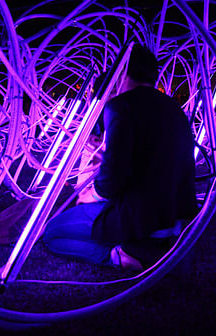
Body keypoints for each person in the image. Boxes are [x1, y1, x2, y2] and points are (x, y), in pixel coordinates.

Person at [43, 44, 197, 269]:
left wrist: (93, 194)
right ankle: (148, 248)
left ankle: (120, 257)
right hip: (174, 216)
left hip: (137, 216)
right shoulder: (174, 107)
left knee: (52, 233)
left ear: (122, 72)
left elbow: (114, 176)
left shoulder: (120, 106)